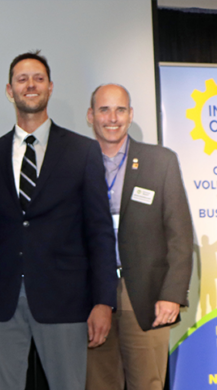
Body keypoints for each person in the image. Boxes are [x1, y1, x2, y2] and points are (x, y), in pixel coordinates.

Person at [0, 52, 118, 390]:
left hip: (65, 300)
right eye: (22, 79)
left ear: (50, 87)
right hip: (1, 301)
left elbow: (99, 232)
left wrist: (103, 301)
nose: (30, 85)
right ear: (10, 90)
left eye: (38, 78)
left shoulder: (83, 152)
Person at [85, 84, 192, 390]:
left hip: (146, 296)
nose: (112, 118)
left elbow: (180, 235)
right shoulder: (77, 164)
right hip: (92, 297)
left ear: (131, 115)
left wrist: (172, 293)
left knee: (147, 383)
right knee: (98, 384)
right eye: (104, 109)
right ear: (91, 116)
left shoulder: (161, 161)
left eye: (120, 109)